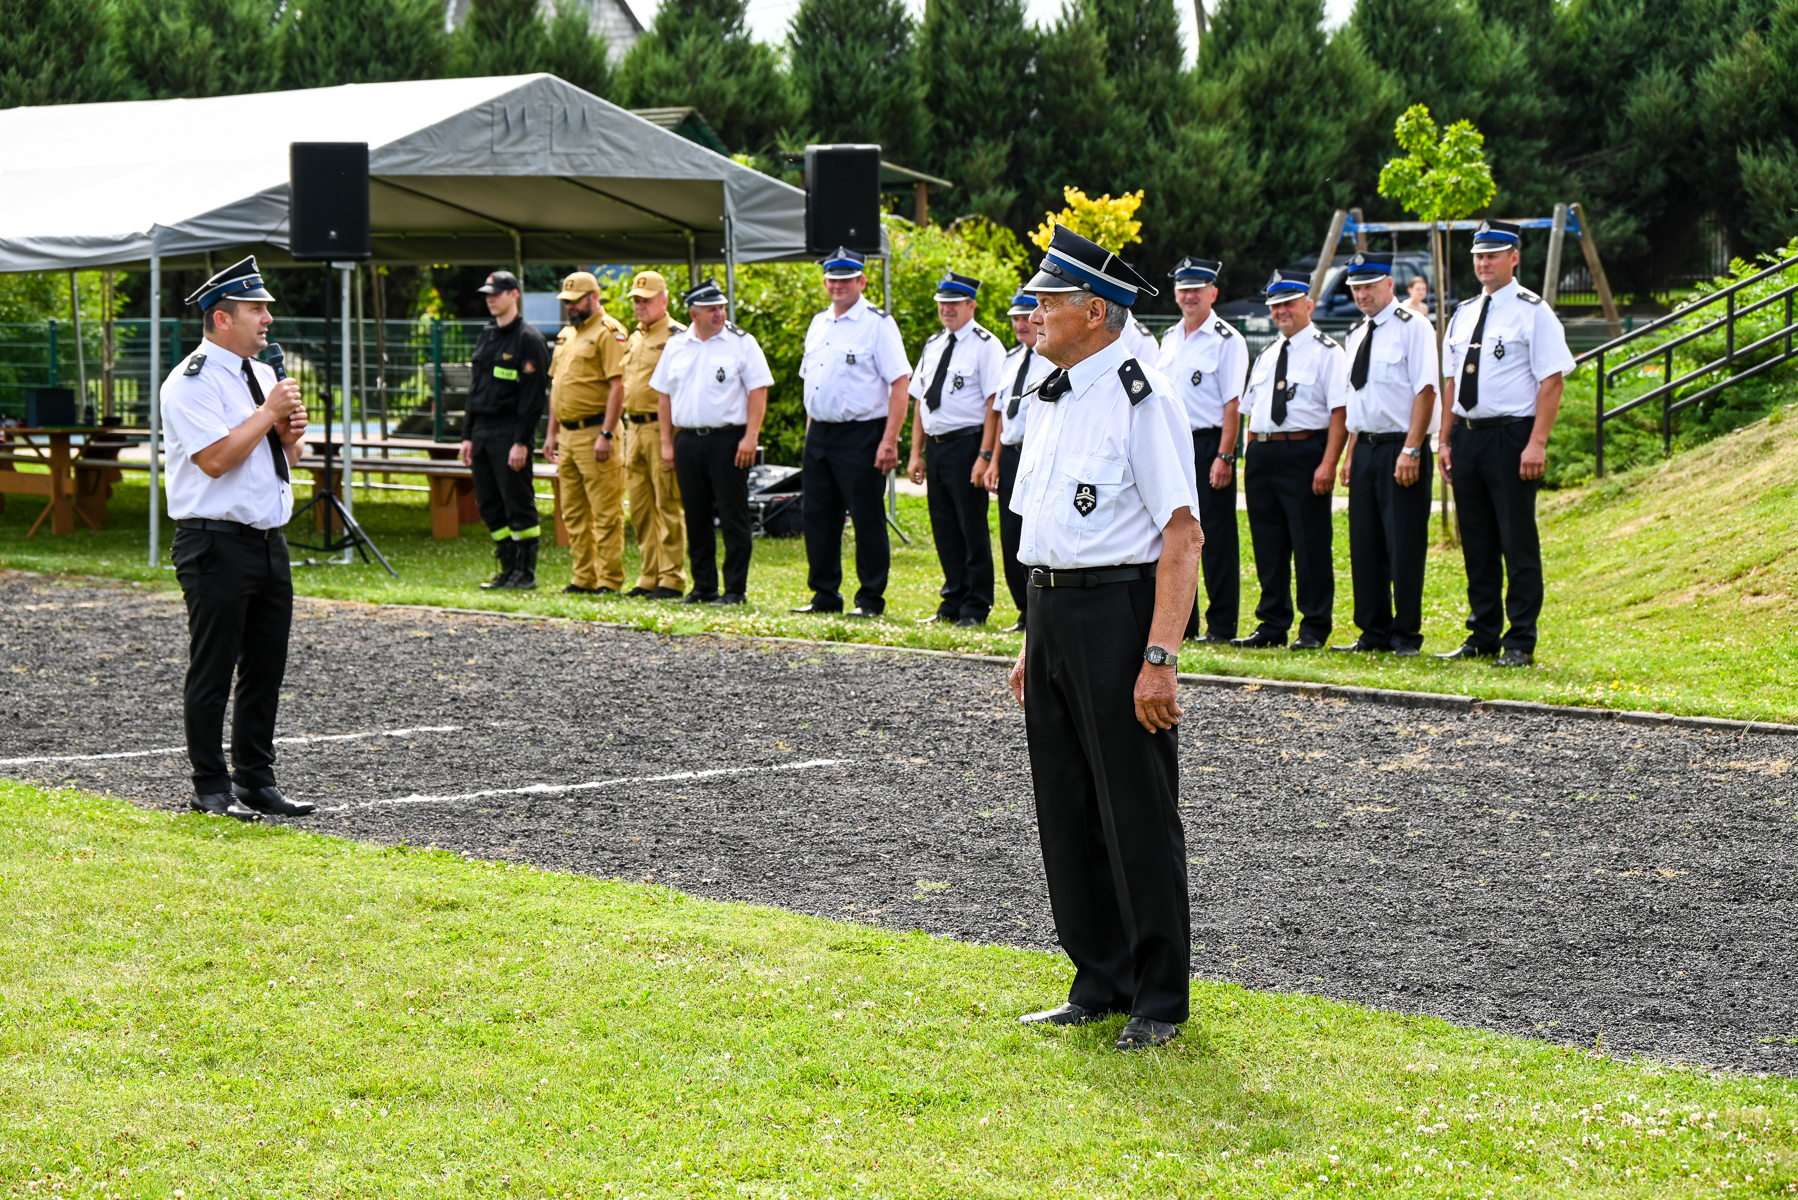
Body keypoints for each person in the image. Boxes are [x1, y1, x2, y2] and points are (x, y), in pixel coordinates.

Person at [1007, 225, 1202, 1051]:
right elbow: (1048, 530)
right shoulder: (1052, 393)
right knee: (1066, 806)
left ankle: (1158, 999)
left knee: (1135, 811)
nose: (1034, 313)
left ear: (1094, 311)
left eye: (1049, 301)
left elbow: (1182, 536)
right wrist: (1032, 637)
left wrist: (1160, 658)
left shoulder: (1141, 396)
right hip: (1052, 612)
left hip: (1119, 616)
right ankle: (1098, 979)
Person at [160, 256, 314, 822]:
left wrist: (290, 436)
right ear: (222, 319)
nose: (268, 318)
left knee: (265, 668)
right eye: (256, 310)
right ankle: (210, 787)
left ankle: (256, 779)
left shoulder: (264, 374)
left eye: (266, 309)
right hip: (215, 543)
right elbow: (216, 460)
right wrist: (269, 414)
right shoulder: (191, 380)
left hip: (268, 540)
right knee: (214, 668)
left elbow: (277, 459)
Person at [1437, 219, 1576, 668]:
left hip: (1512, 437)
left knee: (1517, 541)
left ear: (1514, 258)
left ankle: (1520, 640)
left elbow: (1552, 381)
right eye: (1478, 256)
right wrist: (1444, 440)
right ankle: (1482, 634)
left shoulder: (1534, 311)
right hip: (1468, 436)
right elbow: (1452, 383)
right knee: (1476, 542)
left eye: (1492, 255)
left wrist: (1537, 443)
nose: (1484, 263)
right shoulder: (1463, 313)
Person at [791, 248, 912, 618]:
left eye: (846, 279)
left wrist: (889, 440)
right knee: (817, 515)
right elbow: (812, 383)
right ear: (825, 282)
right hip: (820, 432)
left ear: (862, 281)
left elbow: (899, 383)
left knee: (866, 517)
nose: (838, 286)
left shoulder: (877, 324)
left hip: (862, 434)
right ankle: (824, 595)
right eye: (833, 279)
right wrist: (812, 432)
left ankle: (870, 599)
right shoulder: (819, 323)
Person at [1232, 271, 1350, 651]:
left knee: (1309, 542)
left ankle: (1314, 626)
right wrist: (1249, 454)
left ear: (1308, 305)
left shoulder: (1327, 352)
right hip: (1262, 454)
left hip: (1304, 452)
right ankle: (1272, 623)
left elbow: (1339, 412)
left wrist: (1329, 463)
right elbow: (1250, 410)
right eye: (1275, 306)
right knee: (1267, 543)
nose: (1281, 311)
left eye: (1289, 303)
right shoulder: (1267, 354)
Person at [1334, 251, 1440, 656]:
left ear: (1389, 285)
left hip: (1401, 446)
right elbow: (1358, 399)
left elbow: (1426, 390)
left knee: (1404, 543)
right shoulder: (1356, 333)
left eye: (1369, 286)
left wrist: (1412, 448)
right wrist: (1350, 454)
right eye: (1356, 288)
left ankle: (1405, 634)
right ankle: (1373, 631)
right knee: (1365, 544)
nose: (1362, 294)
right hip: (1365, 446)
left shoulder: (1414, 327)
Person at [651, 279, 773, 605]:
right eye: (711, 309)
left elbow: (758, 391)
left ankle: (734, 589)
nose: (719, 313)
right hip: (688, 440)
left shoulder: (742, 343)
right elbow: (664, 397)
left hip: (728, 439)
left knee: (733, 515)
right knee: (696, 516)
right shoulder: (676, 345)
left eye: (721, 307)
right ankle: (703, 586)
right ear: (694, 314)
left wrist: (750, 437)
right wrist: (667, 443)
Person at [907, 271, 1007, 626]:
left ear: (971, 305)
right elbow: (920, 401)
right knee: (944, 527)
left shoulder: (986, 345)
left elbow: (994, 404)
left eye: (954, 303)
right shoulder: (934, 344)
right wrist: (915, 453)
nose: (946, 309)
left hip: (968, 444)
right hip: (937, 446)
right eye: (942, 303)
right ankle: (952, 600)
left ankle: (976, 605)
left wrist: (984, 455)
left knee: (971, 527)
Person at [1158, 256, 1248, 644]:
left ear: (1213, 293)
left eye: (1197, 289)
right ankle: (1185, 623)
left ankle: (1222, 625)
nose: (1189, 295)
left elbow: (1233, 404)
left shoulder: (1228, 341)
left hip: (1209, 445)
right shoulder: (1169, 338)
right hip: (1171, 445)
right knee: (1174, 536)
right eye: (1184, 289)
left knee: (1216, 537)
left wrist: (1225, 456)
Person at [462, 270, 551, 590]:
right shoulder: (487, 336)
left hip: (509, 432)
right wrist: (467, 436)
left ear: (514, 295)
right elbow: (475, 390)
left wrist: (521, 442)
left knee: (517, 501)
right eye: (488, 294)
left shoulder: (529, 340)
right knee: (489, 503)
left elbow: (532, 398)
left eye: (497, 294)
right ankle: (507, 567)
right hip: (482, 433)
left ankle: (525, 573)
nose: (491, 299)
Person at [541, 270, 629, 595]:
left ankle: (608, 580)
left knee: (606, 511)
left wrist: (606, 433)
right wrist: (551, 433)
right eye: (567, 302)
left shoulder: (609, 332)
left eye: (575, 301)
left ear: (594, 297)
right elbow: (557, 387)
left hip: (596, 431)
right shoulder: (566, 335)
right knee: (573, 511)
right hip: (567, 434)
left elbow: (618, 387)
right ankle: (583, 577)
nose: (570, 307)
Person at [978, 290, 1055, 632]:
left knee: (1037, 532)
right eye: (1015, 319)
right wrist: (993, 461)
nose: (1021, 324)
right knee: (1010, 534)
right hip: (1010, 454)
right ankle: (1023, 610)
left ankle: (1041, 610)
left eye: (1026, 317)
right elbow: (999, 415)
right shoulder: (1010, 360)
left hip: (1037, 453)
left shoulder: (1052, 358)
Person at [618, 271, 688, 599]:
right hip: (633, 428)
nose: (639, 305)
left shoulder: (679, 337)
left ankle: (671, 578)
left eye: (646, 300)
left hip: (662, 429)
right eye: (636, 300)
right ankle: (649, 575)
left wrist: (670, 439)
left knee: (668, 504)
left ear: (664, 300)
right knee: (641, 507)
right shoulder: (635, 336)